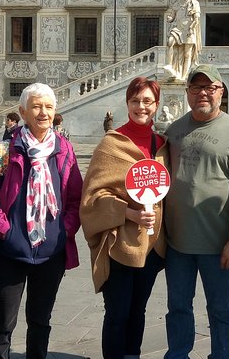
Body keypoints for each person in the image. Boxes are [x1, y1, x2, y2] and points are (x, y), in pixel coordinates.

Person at [163, 64, 229, 359]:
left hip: (217, 244)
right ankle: (178, 354)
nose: (203, 93)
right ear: (187, 93)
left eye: (210, 88)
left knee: (221, 310)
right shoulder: (175, 129)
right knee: (178, 307)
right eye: (196, 88)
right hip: (176, 243)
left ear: (222, 92)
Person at [0, 83, 83, 359]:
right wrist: (5, 230)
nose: (43, 112)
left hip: (50, 254)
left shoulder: (64, 150)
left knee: (40, 321)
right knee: (2, 322)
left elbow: (76, 197)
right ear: (23, 112)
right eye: (36, 106)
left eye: (49, 107)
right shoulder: (3, 151)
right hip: (9, 252)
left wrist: (65, 229)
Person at [80, 76, 168, 359]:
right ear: (127, 103)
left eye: (147, 101)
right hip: (120, 244)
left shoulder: (163, 145)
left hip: (152, 245)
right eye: (135, 101)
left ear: (156, 105)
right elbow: (92, 198)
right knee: (117, 313)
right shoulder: (112, 144)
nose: (141, 107)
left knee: (138, 310)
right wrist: (129, 213)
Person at [164, 0, 201, 81]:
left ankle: (183, 76)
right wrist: (169, 18)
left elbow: (196, 19)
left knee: (187, 55)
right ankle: (169, 65)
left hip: (189, 30)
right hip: (179, 29)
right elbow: (172, 16)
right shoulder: (177, 3)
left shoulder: (194, 3)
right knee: (170, 42)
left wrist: (192, 27)